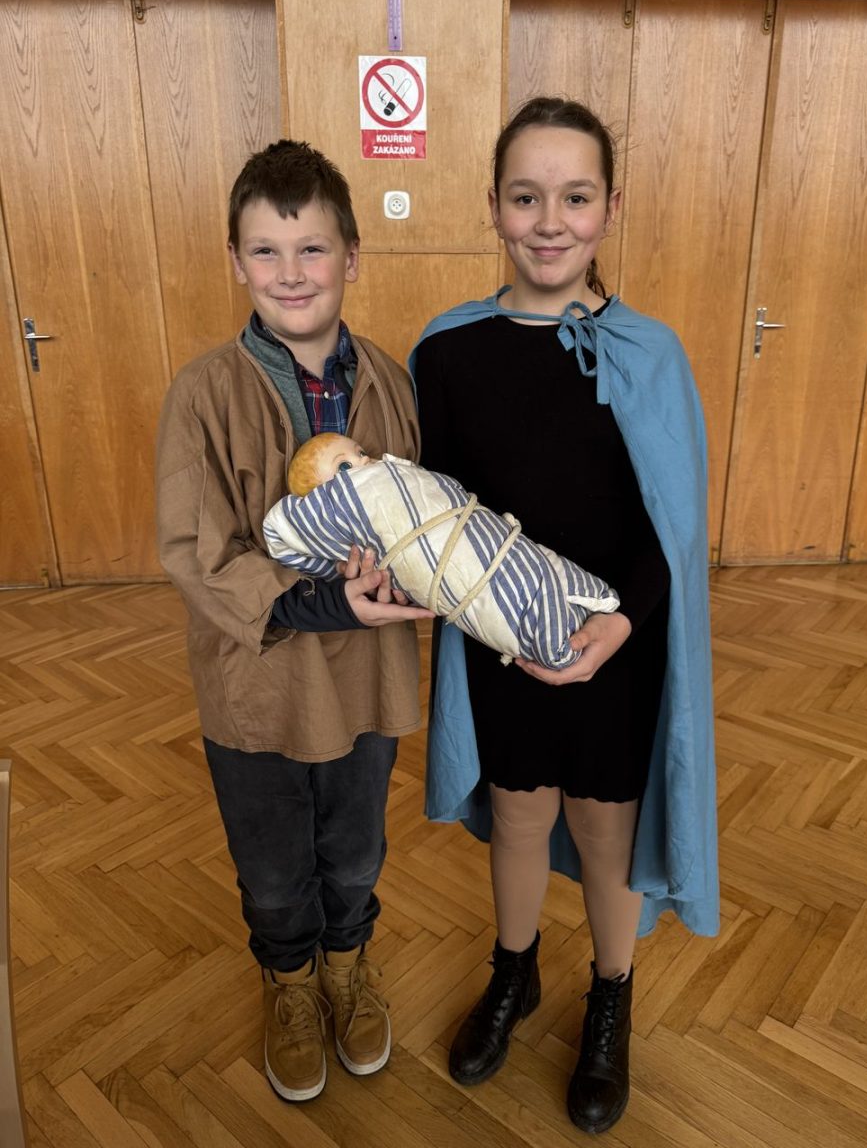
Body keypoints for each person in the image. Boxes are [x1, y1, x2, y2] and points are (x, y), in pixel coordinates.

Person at [410, 97, 717, 1135]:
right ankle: (516, 971)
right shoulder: (448, 350)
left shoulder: (651, 352)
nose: (550, 222)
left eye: (576, 198)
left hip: (614, 645)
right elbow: (440, 504)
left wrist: (621, 624)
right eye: (526, 197)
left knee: (602, 821)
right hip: (498, 640)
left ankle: (610, 998)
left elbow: (671, 524)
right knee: (518, 809)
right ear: (494, 206)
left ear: (610, 208)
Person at [155, 139, 433, 1105]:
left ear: (352, 255)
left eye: (312, 248)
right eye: (266, 251)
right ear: (236, 262)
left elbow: (423, 516)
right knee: (273, 867)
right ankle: (289, 983)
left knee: (355, 849)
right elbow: (193, 550)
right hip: (259, 685)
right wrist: (317, 600)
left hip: (367, 678)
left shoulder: (391, 381)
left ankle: (347, 968)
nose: (291, 272)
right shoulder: (202, 392)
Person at [263, 432, 621, 671]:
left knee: (535, 563)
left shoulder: (392, 460)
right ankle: (558, 642)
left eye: (359, 452)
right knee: (514, 595)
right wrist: (336, 573)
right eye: (344, 466)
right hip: (460, 583)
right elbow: (279, 533)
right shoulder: (341, 503)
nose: (365, 461)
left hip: (490, 534)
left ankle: (592, 602)